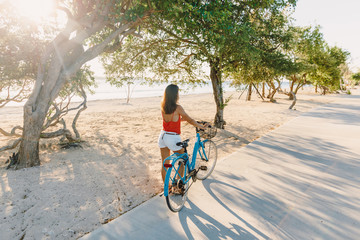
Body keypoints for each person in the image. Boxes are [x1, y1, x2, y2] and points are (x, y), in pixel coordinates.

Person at [158, 84, 206, 182]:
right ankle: (178, 186)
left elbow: (172, 119)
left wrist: (180, 119)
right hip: (173, 138)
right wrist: (200, 126)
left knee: (165, 163)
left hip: (163, 136)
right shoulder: (178, 107)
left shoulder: (163, 106)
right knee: (183, 160)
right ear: (175, 95)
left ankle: (167, 187)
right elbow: (190, 120)